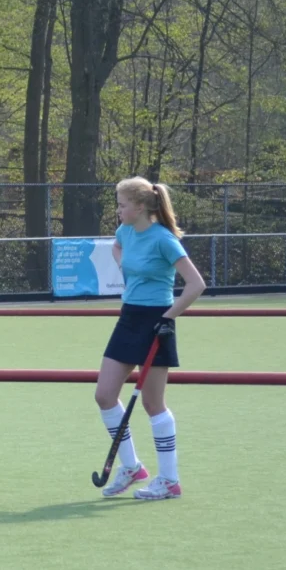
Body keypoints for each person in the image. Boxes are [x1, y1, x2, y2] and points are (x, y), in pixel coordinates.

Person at [94, 177, 205, 500]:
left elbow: (196, 284)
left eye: (122, 205)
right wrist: (126, 270)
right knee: (104, 395)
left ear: (141, 206)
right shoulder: (125, 232)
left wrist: (168, 318)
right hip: (129, 318)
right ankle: (131, 467)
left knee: (152, 404)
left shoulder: (163, 239)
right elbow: (118, 248)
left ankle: (169, 479)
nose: (118, 211)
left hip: (157, 319)